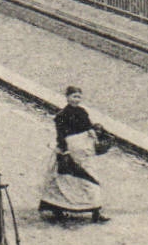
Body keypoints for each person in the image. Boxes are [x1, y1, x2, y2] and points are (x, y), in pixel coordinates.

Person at [38, 86, 110, 222]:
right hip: (70, 150)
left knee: (90, 179)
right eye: (73, 96)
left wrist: (93, 131)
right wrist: (64, 150)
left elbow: (88, 126)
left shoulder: (83, 112)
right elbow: (61, 135)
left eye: (78, 97)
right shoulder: (61, 116)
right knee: (65, 180)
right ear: (67, 97)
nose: (76, 99)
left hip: (84, 150)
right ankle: (58, 209)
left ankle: (96, 212)